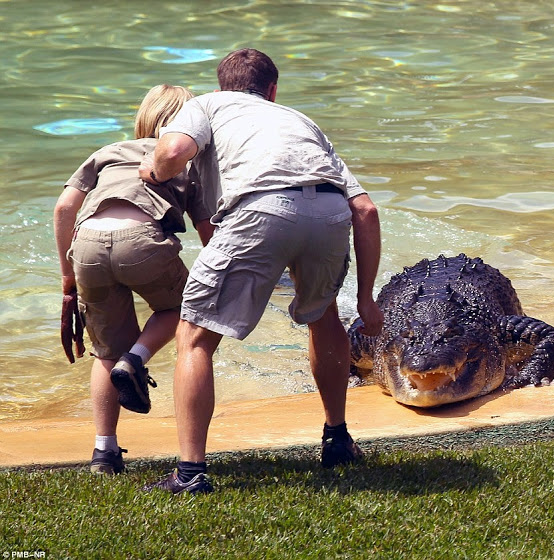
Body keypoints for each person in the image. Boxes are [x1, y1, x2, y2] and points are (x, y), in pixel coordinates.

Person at [139, 49, 384, 495]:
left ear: (220, 87)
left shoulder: (207, 105)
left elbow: (173, 150)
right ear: (272, 90)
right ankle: (337, 439)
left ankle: (190, 474)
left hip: (261, 208)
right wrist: (366, 298)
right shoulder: (299, 120)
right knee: (323, 315)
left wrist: (153, 170)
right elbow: (364, 209)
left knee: (194, 335)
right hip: (329, 211)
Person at [53, 85, 216, 475]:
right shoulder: (187, 163)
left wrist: (67, 279)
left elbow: (64, 208)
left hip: (87, 243)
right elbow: (207, 228)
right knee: (185, 308)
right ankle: (136, 360)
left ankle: (104, 454)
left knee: (105, 349)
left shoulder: (109, 151)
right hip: (142, 240)